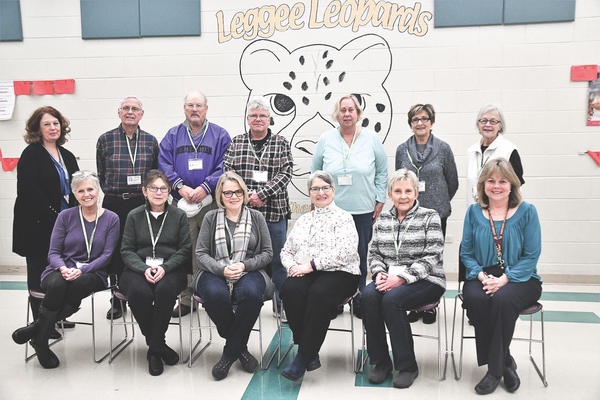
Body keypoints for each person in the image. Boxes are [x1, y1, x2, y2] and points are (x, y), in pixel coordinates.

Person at [12, 171, 119, 368]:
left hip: (94, 272)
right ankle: (42, 341)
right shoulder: (65, 216)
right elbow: (53, 252)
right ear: (74, 194)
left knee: (80, 282)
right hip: (59, 269)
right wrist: (62, 268)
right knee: (58, 285)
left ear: (98, 191)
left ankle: (37, 331)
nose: (86, 194)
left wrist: (83, 269)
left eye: (90, 189)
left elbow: (107, 255)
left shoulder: (111, 218)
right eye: (80, 191)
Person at [460, 158, 542, 395]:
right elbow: (466, 253)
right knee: (475, 299)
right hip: (483, 274)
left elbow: (531, 255)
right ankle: (505, 363)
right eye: (491, 180)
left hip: (522, 277)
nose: (496, 186)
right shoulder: (474, 212)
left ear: (512, 184)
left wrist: (505, 280)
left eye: (503, 181)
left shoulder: (527, 211)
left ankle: (494, 372)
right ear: (483, 184)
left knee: (503, 300)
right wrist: (482, 276)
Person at [362, 169, 445, 389]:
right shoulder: (383, 219)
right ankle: (380, 362)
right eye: (398, 191)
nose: (403, 196)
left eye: (408, 191)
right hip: (389, 278)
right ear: (390, 194)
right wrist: (379, 273)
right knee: (368, 296)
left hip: (427, 279)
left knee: (392, 301)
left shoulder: (430, 216)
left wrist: (402, 278)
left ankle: (407, 366)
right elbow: (375, 253)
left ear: (416, 193)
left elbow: (433, 255)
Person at [279, 170, 361, 381]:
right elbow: (286, 251)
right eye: (315, 189)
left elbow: (347, 251)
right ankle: (311, 353)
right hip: (307, 271)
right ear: (309, 193)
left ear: (333, 191)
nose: (320, 192)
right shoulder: (304, 220)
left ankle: (302, 357)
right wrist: (292, 267)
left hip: (341, 272)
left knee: (318, 294)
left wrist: (311, 265)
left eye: (325, 188)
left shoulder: (344, 218)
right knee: (290, 289)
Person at [311, 94, 388, 318]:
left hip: (362, 209)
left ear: (358, 114)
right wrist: (318, 198)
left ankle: (360, 299)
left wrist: (380, 199)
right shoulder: (326, 139)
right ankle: (334, 299)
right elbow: (316, 172)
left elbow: (382, 171)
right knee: (332, 258)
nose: (347, 114)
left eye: (351, 110)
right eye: (343, 110)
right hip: (331, 212)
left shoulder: (371, 139)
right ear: (337, 114)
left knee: (359, 256)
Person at [194, 171, 273, 380]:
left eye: (238, 191)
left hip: (248, 270)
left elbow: (267, 253)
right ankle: (241, 350)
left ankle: (229, 355)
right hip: (215, 270)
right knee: (214, 294)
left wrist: (244, 265)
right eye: (228, 192)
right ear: (220, 195)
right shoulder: (211, 217)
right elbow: (201, 253)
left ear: (244, 193)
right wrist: (221, 270)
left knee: (252, 294)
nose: (233, 196)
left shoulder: (256, 217)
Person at [159, 91, 232, 317]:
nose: (194, 109)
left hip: (210, 202)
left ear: (206, 108)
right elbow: (164, 164)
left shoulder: (220, 135)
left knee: (213, 248)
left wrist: (206, 187)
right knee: (184, 250)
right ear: (184, 109)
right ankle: (187, 299)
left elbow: (226, 164)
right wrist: (180, 186)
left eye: (198, 105)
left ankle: (214, 297)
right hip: (181, 203)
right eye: (190, 105)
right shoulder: (172, 135)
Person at [13, 106, 80, 337]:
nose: (53, 128)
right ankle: (41, 323)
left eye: (56, 123)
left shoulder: (67, 155)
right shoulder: (32, 154)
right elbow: (29, 191)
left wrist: (71, 215)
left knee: (58, 272)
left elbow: (76, 188)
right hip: (37, 224)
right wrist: (55, 214)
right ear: (37, 129)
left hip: (61, 222)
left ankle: (54, 315)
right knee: (38, 273)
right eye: (47, 124)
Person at [223, 96, 293, 317]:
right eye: (254, 116)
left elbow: (286, 172)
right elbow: (228, 172)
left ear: (269, 119)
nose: (258, 119)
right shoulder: (237, 142)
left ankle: (281, 303)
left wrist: (262, 194)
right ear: (247, 119)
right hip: (242, 213)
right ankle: (239, 299)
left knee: (278, 260)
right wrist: (246, 197)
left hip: (274, 211)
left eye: (262, 116)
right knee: (241, 256)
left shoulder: (281, 142)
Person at [120, 170, 191, 376]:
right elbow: (126, 250)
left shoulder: (178, 215)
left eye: (163, 188)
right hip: (137, 268)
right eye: (153, 188)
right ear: (144, 191)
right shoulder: (134, 216)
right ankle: (158, 347)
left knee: (165, 292)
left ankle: (154, 350)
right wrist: (144, 269)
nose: (158, 192)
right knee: (138, 292)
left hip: (170, 269)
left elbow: (185, 249)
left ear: (169, 191)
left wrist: (164, 268)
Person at [96, 96, 159, 319]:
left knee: (139, 248)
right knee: (114, 251)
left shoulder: (151, 141)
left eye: (135, 109)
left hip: (140, 202)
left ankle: (140, 293)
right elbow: (101, 173)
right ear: (119, 112)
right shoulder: (106, 139)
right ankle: (117, 298)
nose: (130, 112)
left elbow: (154, 174)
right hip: (113, 202)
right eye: (126, 108)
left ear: (141, 113)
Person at [394, 103, 457, 324]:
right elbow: (399, 179)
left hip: (436, 212)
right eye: (415, 119)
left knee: (433, 259)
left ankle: (431, 305)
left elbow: (453, 181)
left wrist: (438, 199)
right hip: (409, 212)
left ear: (431, 122)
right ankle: (413, 302)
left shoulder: (443, 148)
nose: (420, 123)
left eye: (424, 119)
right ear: (410, 124)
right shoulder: (402, 149)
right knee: (410, 257)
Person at [466, 104, 524, 205]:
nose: (487, 125)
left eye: (493, 121)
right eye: (483, 121)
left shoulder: (509, 150)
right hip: (475, 211)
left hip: (501, 213)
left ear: (500, 125)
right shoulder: (471, 151)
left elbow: (517, 185)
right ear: (478, 124)